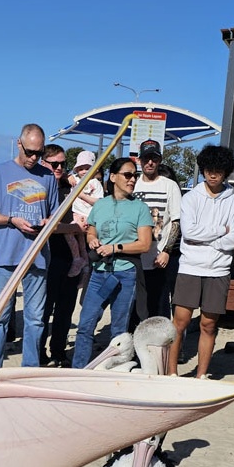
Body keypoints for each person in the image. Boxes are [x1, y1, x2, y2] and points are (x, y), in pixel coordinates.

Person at [0, 123, 59, 370]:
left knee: (36, 319)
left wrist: (48, 223)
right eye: (30, 152)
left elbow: (55, 216)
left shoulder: (48, 177)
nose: (34, 158)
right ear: (18, 144)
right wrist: (12, 220)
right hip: (5, 256)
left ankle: (29, 368)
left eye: (39, 153)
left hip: (37, 257)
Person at [167, 145, 234, 378]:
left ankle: (201, 375)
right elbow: (189, 232)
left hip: (218, 270)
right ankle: (171, 373)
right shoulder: (190, 198)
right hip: (190, 267)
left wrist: (211, 242)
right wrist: (220, 231)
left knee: (209, 325)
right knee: (179, 323)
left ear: (225, 172)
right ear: (202, 170)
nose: (213, 175)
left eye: (218, 170)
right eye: (209, 170)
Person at [71, 157, 152, 369]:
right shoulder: (100, 205)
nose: (132, 179)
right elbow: (91, 232)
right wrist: (92, 240)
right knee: (85, 325)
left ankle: (115, 373)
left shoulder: (140, 208)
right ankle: (79, 371)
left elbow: (144, 244)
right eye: (128, 175)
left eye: (135, 175)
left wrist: (116, 248)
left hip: (126, 274)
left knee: (119, 331)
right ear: (113, 177)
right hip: (99, 273)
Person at [131, 138, 183, 321]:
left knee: (159, 309)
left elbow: (176, 221)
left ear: (160, 160)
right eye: (146, 158)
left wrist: (167, 251)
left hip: (159, 258)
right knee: (135, 310)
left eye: (154, 158)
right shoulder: (133, 184)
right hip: (135, 257)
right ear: (139, 160)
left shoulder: (170, 185)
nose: (150, 162)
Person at [40, 144, 81, 367]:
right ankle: (39, 352)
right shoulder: (38, 188)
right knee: (43, 310)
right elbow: (47, 225)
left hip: (68, 254)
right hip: (45, 255)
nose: (59, 168)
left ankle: (59, 351)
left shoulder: (69, 188)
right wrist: (74, 228)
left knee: (65, 309)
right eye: (54, 164)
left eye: (63, 164)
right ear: (43, 163)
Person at [66, 150, 103, 278]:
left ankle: (81, 263)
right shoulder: (75, 179)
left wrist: (81, 195)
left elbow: (98, 202)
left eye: (87, 168)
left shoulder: (96, 183)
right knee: (74, 236)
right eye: (81, 169)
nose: (84, 172)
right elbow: (65, 176)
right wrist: (69, 176)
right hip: (76, 214)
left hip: (89, 216)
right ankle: (80, 261)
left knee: (81, 239)